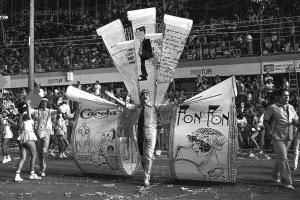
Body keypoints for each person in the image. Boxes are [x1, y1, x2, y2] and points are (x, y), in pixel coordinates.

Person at [105, 89, 175, 187]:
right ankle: (147, 171)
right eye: (143, 95)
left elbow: (166, 107)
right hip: (139, 133)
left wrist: (176, 103)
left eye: (147, 95)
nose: (145, 96)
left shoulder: (154, 105)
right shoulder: (137, 107)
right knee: (142, 155)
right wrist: (113, 97)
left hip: (151, 133)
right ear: (141, 97)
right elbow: (125, 105)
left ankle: (147, 177)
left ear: (149, 97)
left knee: (149, 155)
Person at [264, 89, 298, 190]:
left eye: (288, 96)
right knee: (283, 158)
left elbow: (295, 119)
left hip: (289, 136)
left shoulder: (291, 107)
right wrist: (269, 132)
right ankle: (286, 182)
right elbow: (265, 121)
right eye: (284, 95)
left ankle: (275, 175)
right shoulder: (272, 107)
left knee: (281, 157)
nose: (287, 97)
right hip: (277, 136)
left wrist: (297, 122)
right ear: (278, 97)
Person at [32, 98, 61, 177]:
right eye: (42, 102)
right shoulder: (37, 111)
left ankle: (42, 169)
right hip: (38, 132)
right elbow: (28, 111)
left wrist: (53, 103)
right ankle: (41, 168)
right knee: (40, 152)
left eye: (45, 102)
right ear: (41, 103)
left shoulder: (50, 111)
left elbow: (60, 111)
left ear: (47, 103)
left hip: (47, 132)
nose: (44, 103)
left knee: (44, 151)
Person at [15, 100, 41, 182]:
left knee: (22, 158)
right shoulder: (26, 115)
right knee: (34, 155)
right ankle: (32, 173)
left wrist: (27, 105)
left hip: (22, 138)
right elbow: (30, 116)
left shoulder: (20, 115)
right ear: (26, 108)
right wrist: (28, 104)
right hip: (28, 136)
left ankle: (17, 175)